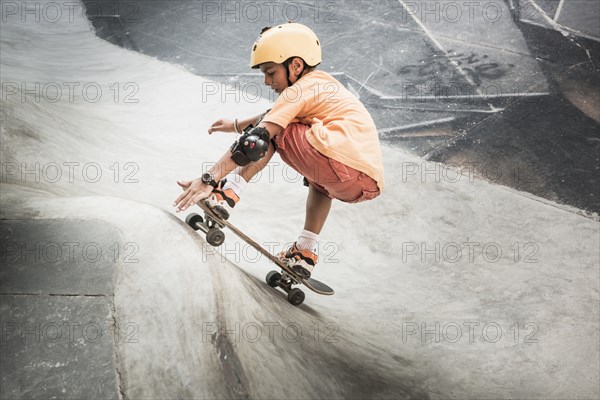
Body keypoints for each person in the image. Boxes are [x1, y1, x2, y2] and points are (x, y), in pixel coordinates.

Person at [174, 22, 384, 279]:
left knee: (274, 130)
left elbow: (259, 138)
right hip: (363, 184)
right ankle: (305, 252)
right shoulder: (321, 87)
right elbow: (271, 115)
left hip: (336, 159)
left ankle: (227, 191)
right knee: (315, 178)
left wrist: (209, 179)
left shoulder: (298, 90)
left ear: (295, 66)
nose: (266, 81)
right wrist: (236, 125)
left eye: (271, 72)